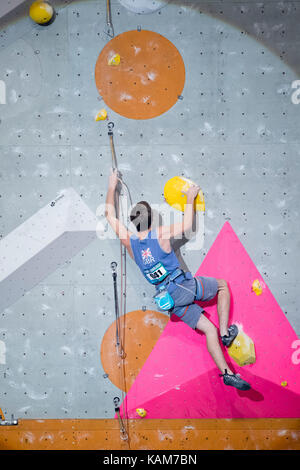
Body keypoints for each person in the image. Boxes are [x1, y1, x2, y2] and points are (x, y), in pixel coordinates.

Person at [105, 168, 251, 391]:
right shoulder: (160, 234)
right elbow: (187, 224)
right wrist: (190, 198)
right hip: (182, 286)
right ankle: (225, 333)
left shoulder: (130, 242)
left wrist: (111, 185)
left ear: (134, 224)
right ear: (152, 218)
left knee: (207, 331)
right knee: (222, 286)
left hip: (168, 300)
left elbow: (110, 216)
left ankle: (227, 374)